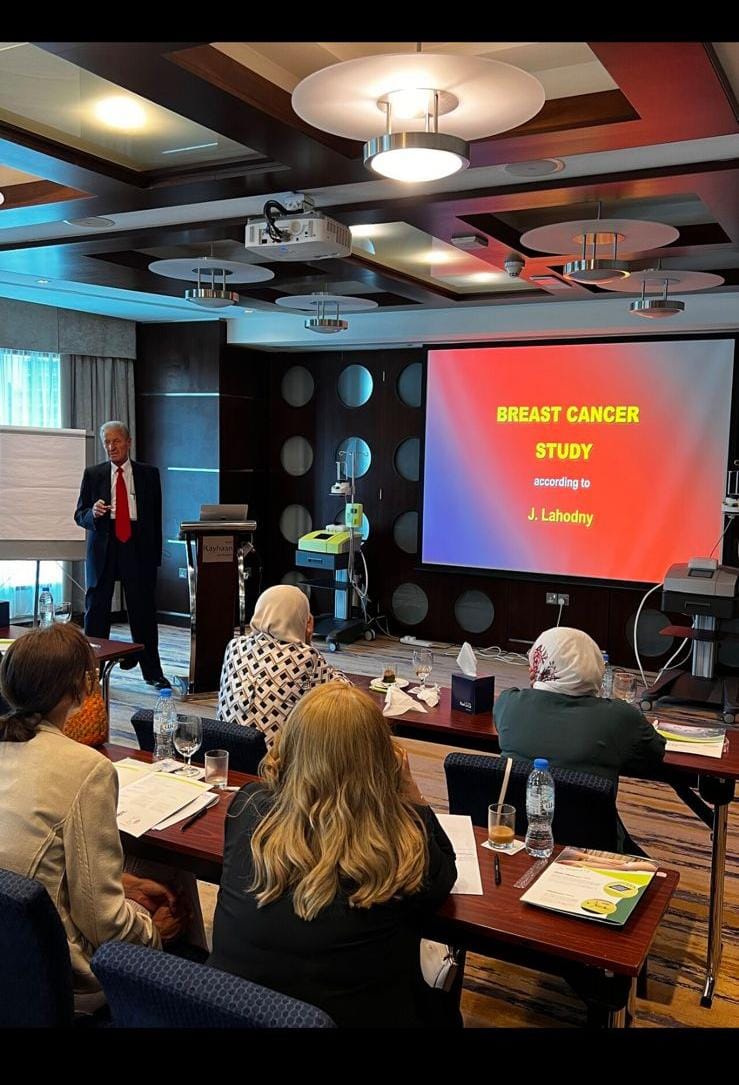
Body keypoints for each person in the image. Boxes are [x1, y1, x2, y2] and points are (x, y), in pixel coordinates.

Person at [209, 683, 457, 1028]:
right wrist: (411, 792)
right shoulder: (401, 841)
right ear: (382, 758)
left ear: (291, 744)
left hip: (228, 1014)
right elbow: (445, 874)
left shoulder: (248, 808)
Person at [0, 624, 185, 1010]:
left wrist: (123, 883)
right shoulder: (87, 769)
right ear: (81, 686)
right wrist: (154, 933)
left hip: (13, 959)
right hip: (59, 979)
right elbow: (103, 922)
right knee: (173, 909)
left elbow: (33, 857)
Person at [494, 627, 666, 785]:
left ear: (538, 665)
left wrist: (540, 686)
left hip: (518, 809)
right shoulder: (620, 717)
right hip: (589, 810)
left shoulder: (508, 703)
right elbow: (654, 755)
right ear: (597, 667)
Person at [74, 420, 169, 689]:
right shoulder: (93, 474)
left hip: (136, 545)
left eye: (116, 441)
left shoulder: (149, 474)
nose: (111, 447)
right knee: (96, 609)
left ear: (128, 442)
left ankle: (152, 671)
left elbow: (156, 518)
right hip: (104, 542)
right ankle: (91, 673)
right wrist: (93, 513)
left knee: (142, 610)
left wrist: (155, 557)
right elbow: (79, 515)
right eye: (107, 442)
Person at [218, 583, 347, 749]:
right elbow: (345, 692)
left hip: (224, 750)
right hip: (273, 759)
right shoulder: (306, 657)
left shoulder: (234, 647)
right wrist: (307, 641)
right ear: (305, 621)